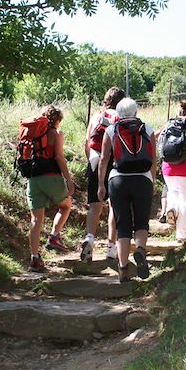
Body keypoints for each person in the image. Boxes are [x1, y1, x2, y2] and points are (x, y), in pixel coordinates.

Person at [97, 98, 156, 282]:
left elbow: (104, 159)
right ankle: (139, 250)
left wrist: (101, 184)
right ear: (136, 112)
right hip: (143, 179)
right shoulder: (147, 129)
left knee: (122, 225)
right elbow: (153, 160)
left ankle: (123, 269)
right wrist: (152, 181)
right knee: (141, 222)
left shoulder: (111, 129)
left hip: (118, 180)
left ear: (118, 113)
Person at [25, 105, 75, 272]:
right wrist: (68, 180)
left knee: (36, 220)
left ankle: (34, 258)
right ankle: (54, 236)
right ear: (57, 120)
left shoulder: (33, 135)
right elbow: (59, 157)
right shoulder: (56, 134)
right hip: (51, 177)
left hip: (33, 179)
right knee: (66, 205)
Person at [80, 87, 124, 263]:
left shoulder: (96, 116)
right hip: (114, 162)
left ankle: (89, 238)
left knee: (94, 205)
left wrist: (91, 162)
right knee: (115, 206)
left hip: (95, 159)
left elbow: (87, 142)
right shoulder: (120, 117)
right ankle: (111, 247)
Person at [156, 101, 186, 241]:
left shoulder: (168, 125)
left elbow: (155, 136)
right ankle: (183, 236)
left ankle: (171, 208)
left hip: (168, 168)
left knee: (173, 192)